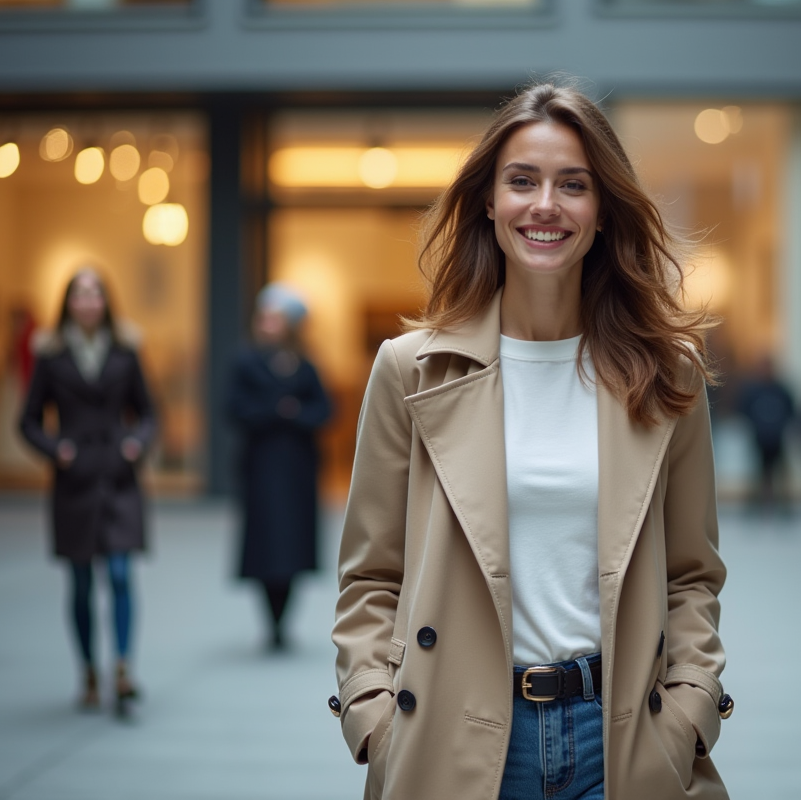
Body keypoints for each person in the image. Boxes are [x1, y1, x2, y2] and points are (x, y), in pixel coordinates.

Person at [330, 81, 734, 800]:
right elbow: (369, 577)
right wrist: (374, 719)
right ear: (489, 201)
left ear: (603, 209)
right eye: (522, 181)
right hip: (454, 738)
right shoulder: (411, 371)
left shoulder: (665, 374)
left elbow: (691, 574)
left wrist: (690, 713)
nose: (545, 205)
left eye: (572, 185)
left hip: (621, 738)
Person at [20, 268, 155, 716]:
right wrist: (55, 449)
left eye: (96, 293)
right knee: (80, 582)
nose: (88, 301)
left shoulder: (125, 350)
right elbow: (28, 420)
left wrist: (137, 443)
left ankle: (122, 669)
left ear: (106, 301)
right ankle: (87, 670)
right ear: (68, 303)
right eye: (80, 294)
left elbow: (150, 412)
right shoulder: (51, 354)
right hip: (75, 481)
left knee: (119, 574)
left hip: (118, 477)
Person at [228, 284, 332, 652]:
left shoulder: (306, 364)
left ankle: (283, 621)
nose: (269, 325)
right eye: (264, 318)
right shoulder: (246, 362)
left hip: (298, 471)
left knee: (293, 546)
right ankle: (270, 621)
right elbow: (235, 409)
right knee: (265, 546)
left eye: (276, 318)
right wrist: (277, 411)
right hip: (260, 467)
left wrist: (294, 414)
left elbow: (324, 410)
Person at [736, 356, 795, 511]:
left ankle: (784, 506)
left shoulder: (781, 390)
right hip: (759, 439)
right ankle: (756, 505)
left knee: (781, 474)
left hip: (777, 439)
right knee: (758, 473)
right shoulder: (752, 391)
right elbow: (743, 411)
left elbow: (791, 411)